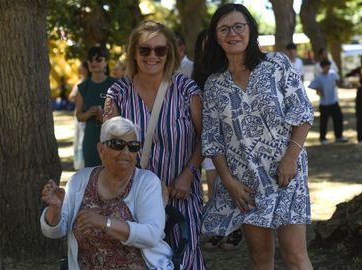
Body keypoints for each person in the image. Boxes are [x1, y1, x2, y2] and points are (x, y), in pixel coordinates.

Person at [200, 4, 314, 269]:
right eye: (224, 29)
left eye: (239, 26)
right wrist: (227, 181)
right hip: (246, 183)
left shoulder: (277, 64)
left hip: (287, 175)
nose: (233, 33)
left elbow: (303, 113)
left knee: (295, 255)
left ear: (250, 30)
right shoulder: (214, 84)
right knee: (260, 259)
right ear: (216, 37)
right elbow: (212, 139)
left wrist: (290, 158)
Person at [104, 20, 206, 269]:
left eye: (160, 50)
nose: (153, 56)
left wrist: (188, 173)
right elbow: (110, 148)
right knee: (140, 261)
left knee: (186, 258)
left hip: (182, 192)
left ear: (170, 52)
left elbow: (206, 136)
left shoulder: (186, 89)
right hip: (133, 197)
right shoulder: (118, 93)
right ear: (134, 53)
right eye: (145, 50)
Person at [40, 116, 173, 270]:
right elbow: (55, 232)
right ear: (101, 149)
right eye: (117, 144)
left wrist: (105, 223)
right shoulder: (80, 180)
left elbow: (151, 235)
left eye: (133, 146)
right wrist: (55, 208)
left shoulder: (146, 182)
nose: (126, 152)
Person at [191, 29, 244, 250]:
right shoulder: (196, 76)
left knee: (228, 183)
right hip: (207, 138)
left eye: (209, 43)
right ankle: (219, 228)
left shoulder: (228, 71)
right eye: (202, 45)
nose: (206, 48)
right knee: (213, 184)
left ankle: (235, 231)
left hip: (230, 141)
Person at [75, 47, 117, 167]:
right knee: (92, 174)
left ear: (106, 62)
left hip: (112, 137)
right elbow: (79, 116)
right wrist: (88, 113)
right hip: (91, 138)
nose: (94, 63)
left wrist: (104, 117)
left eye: (98, 59)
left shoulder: (115, 85)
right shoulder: (83, 87)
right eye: (90, 60)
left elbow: (125, 115)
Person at [308, 59, 348, 144]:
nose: (327, 68)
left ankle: (339, 136)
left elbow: (338, 80)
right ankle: (322, 138)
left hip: (333, 101)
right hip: (324, 103)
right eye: (326, 67)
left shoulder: (332, 74)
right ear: (322, 67)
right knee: (324, 121)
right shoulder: (319, 77)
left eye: (328, 66)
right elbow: (311, 85)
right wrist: (318, 89)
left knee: (338, 118)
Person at [69, 61, 90, 170]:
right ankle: (79, 164)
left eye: (81, 67)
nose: (79, 68)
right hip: (80, 112)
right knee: (79, 137)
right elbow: (71, 96)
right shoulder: (80, 82)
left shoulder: (88, 83)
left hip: (86, 115)